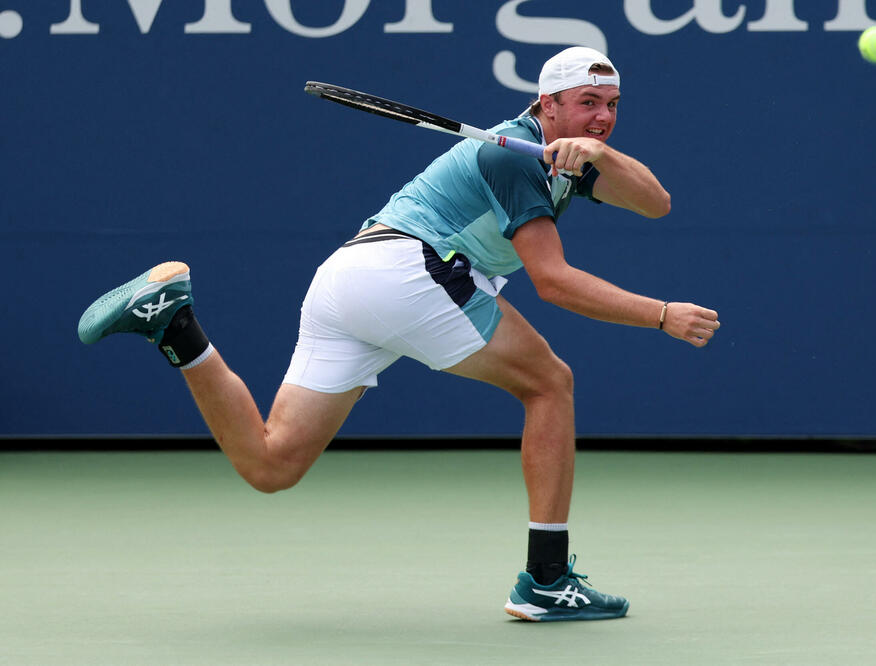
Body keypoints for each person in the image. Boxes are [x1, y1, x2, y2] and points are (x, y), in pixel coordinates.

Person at [78, 47, 721, 622]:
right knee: (549, 384)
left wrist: (600, 155)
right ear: (546, 104)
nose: (602, 116)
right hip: (409, 272)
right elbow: (552, 282)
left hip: (349, 278)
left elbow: (656, 202)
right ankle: (547, 581)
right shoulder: (511, 157)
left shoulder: (569, 155)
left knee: (271, 466)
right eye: (587, 103)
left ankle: (176, 325)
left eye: (612, 105)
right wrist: (661, 314)